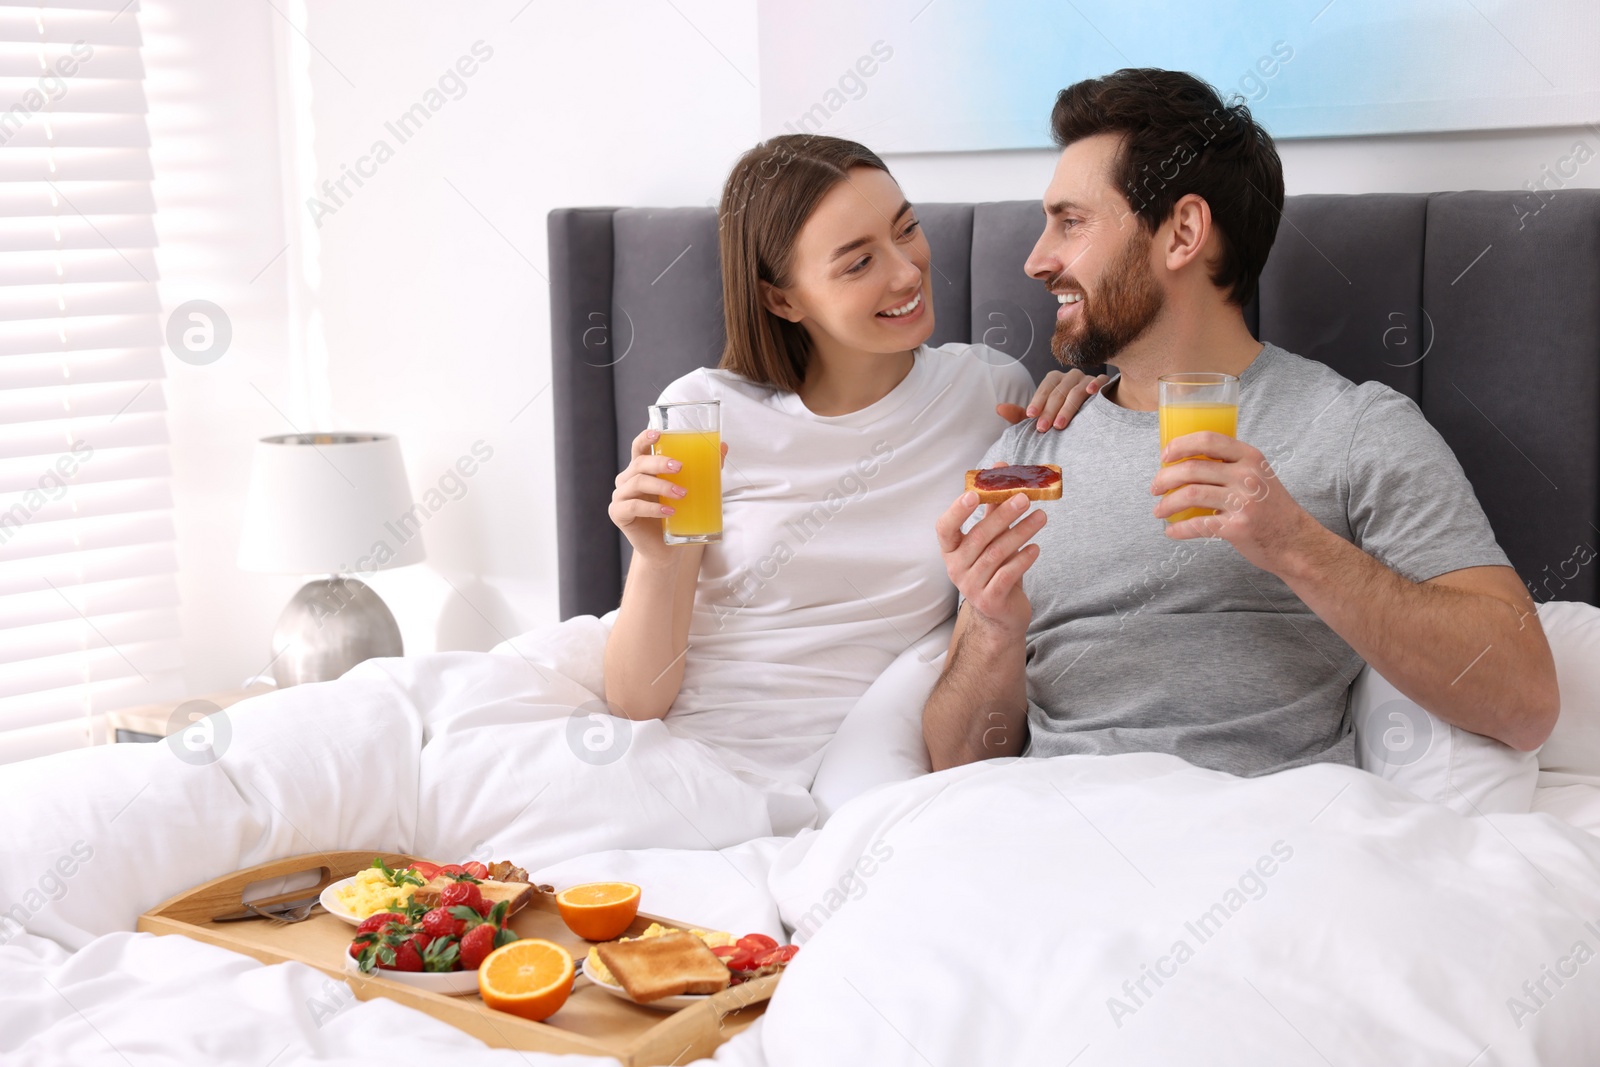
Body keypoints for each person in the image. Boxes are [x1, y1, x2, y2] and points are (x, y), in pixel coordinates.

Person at [924, 69, 1559, 775]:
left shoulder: (1353, 429)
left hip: (1253, 841)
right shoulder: (1029, 448)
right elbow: (952, 766)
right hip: (1048, 834)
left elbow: (1525, 700)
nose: (1036, 259)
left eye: (1071, 222)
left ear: (1184, 232)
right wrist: (991, 630)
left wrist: (1295, 546)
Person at [603, 134, 1106, 818]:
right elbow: (637, 701)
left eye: (908, 230)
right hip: (693, 754)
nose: (906, 273)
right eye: (859, 262)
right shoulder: (703, 415)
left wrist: (1079, 411)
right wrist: (657, 557)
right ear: (782, 299)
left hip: (867, 769)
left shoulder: (985, 392)